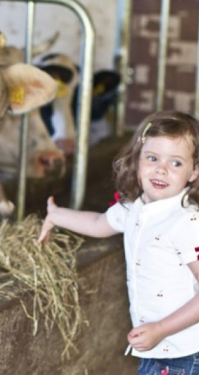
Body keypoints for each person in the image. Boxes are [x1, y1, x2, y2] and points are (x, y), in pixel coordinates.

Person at [38, 110, 199, 375]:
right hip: (154, 347)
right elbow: (98, 224)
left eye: (176, 163)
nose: (161, 169)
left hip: (183, 351)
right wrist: (57, 215)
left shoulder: (186, 222)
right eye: (152, 158)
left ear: (193, 172)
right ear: (137, 160)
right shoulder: (132, 209)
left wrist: (161, 329)